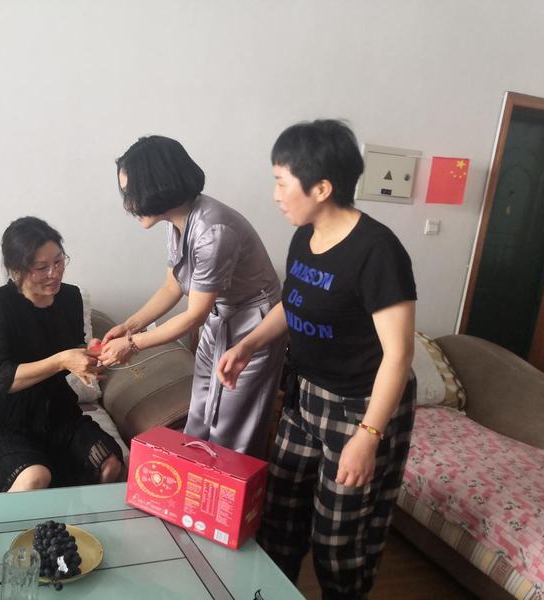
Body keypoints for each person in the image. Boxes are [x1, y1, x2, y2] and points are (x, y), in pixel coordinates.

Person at [216, 120, 417, 599]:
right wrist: (248, 345)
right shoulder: (304, 236)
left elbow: (399, 354)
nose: (275, 195)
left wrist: (368, 437)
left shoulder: (377, 251)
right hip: (306, 397)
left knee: (337, 540)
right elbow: (294, 303)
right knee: (279, 518)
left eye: (282, 182)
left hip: (360, 406)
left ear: (322, 188)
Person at [99, 135, 284, 457]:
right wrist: (129, 326)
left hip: (253, 327)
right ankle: (197, 483)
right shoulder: (178, 221)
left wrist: (132, 345)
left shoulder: (213, 231)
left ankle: (227, 488)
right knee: (200, 415)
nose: (128, 205)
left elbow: (194, 315)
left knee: (232, 430)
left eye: (132, 193)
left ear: (159, 184)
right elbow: (172, 287)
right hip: (219, 319)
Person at [0, 217, 123, 492]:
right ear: (16, 269)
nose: (54, 273)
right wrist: (61, 360)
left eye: (59, 262)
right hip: (5, 419)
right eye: (41, 267)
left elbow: (74, 350)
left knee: (109, 463)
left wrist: (93, 355)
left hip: (57, 412)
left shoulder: (70, 297)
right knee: (36, 477)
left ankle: (83, 519)